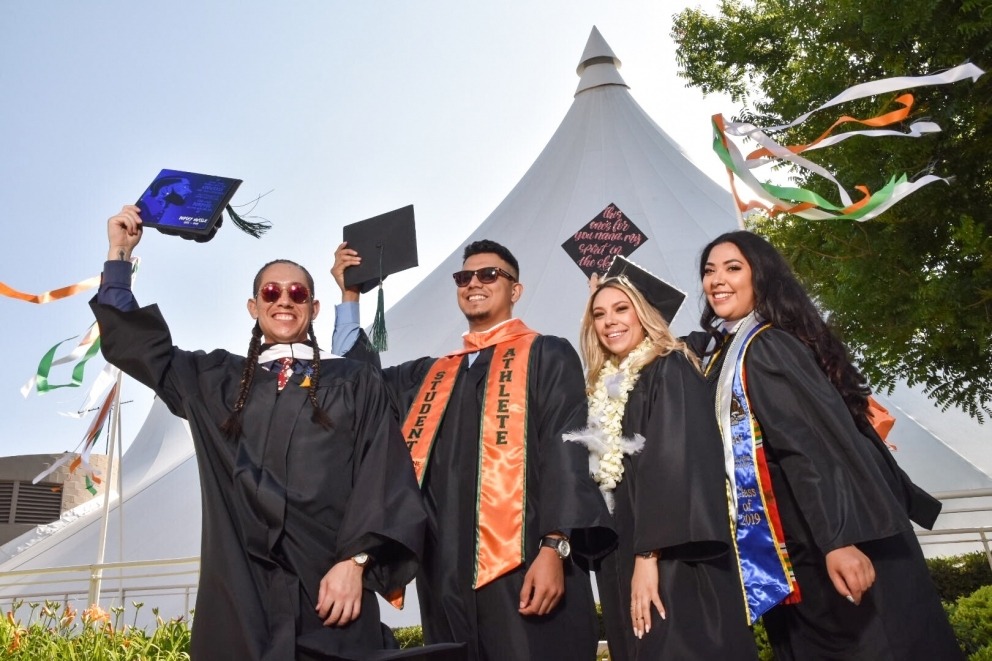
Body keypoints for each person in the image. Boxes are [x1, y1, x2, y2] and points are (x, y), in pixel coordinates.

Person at [92, 205, 427, 661]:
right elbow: (140, 348)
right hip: (241, 597)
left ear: (313, 305)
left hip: (330, 591)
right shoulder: (216, 380)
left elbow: (383, 471)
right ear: (254, 306)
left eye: (296, 292)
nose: (283, 300)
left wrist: (357, 562)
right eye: (271, 291)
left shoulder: (352, 381)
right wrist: (119, 255)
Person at [331, 240, 616, 661]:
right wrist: (349, 297)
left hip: (525, 562)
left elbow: (565, 451)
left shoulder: (546, 353)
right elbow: (360, 385)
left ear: (514, 290)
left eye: (489, 275)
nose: (474, 283)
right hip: (445, 572)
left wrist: (555, 547)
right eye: (464, 277)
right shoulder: (430, 375)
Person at [693, 230, 960, 660]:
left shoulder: (767, 346)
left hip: (829, 541)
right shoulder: (734, 349)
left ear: (761, 278)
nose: (716, 280)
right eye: (709, 271)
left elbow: (810, 447)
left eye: (733, 268)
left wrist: (838, 540)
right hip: (798, 546)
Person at [565, 268, 758, 661]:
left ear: (645, 314)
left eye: (621, 308)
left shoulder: (669, 368)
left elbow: (676, 466)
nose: (609, 322)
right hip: (624, 555)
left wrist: (648, 557)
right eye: (599, 314)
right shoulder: (603, 386)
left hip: (674, 558)